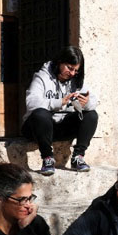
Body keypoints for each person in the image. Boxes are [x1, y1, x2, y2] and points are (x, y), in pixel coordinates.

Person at [22, 46, 98, 176]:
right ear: (59, 62)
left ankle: (78, 157)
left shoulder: (76, 81)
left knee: (91, 115)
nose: (72, 73)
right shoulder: (42, 77)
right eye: (69, 68)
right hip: (38, 129)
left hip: (61, 128)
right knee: (41, 114)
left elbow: (93, 101)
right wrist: (59, 103)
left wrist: (85, 104)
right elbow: (31, 102)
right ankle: (47, 158)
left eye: (76, 70)